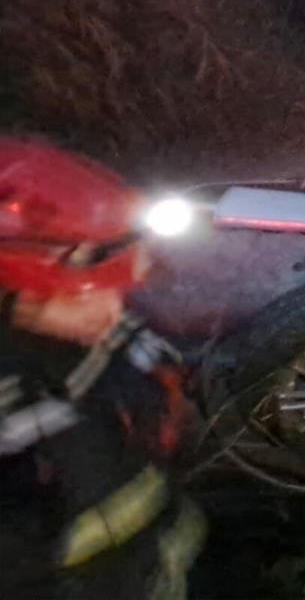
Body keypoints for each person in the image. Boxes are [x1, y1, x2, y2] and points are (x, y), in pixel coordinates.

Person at [0, 138, 205, 600]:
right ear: (20, 289)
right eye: (91, 290)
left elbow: (159, 367)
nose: (115, 309)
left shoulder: (94, 332)